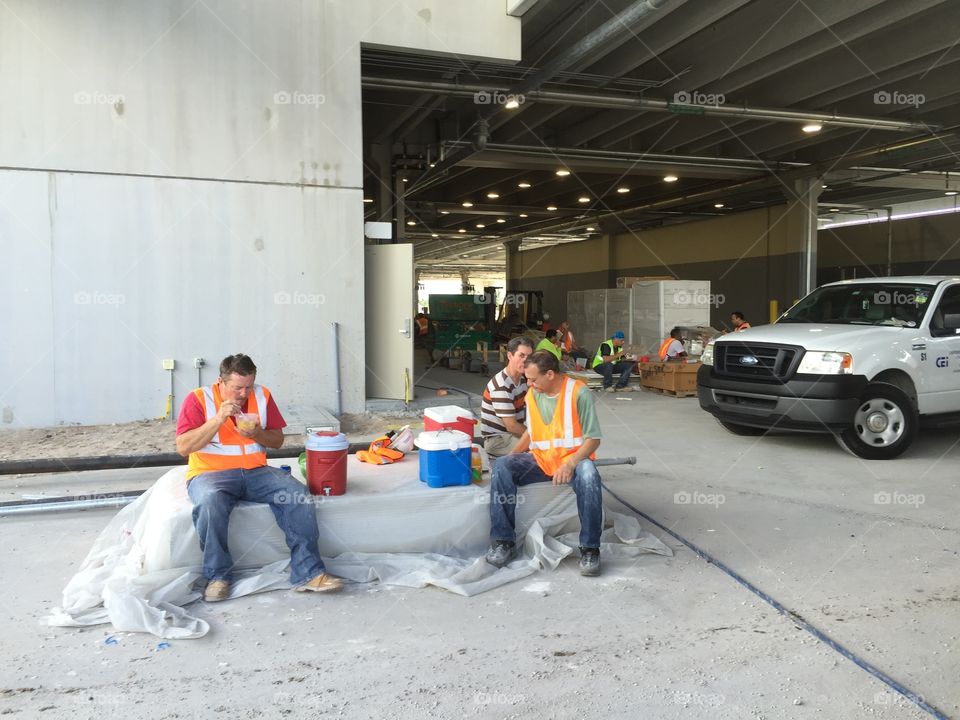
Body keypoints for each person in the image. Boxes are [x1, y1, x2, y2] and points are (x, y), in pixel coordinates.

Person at [176, 353, 343, 602]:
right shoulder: (199, 398)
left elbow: (277, 441)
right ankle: (218, 576)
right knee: (210, 503)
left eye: (248, 386)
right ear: (220, 382)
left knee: (297, 495)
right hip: (210, 474)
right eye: (237, 388)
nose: (243, 394)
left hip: (256, 472)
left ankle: (308, 573)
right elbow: (183, 447)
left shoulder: (262, 395)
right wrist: (219, 419)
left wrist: (257, 434)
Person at [485, 351, 604, 576]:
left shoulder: (580, 393)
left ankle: (590, 549)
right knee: (502, 466)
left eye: (532, 379)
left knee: (589, 476)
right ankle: (503, 542)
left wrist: (570, 465)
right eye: (527, 379)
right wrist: (512, 456)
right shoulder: (533, 394)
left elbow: (593, 439)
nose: (528, 383)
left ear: (550, 374)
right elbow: (532, 431)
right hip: (541, 461)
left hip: (572, 462)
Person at [480, 337, 534, 457]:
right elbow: (511, 426)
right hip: (498, 440)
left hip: (512, 434)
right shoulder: (501, 385)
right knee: (539, 449)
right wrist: (537, 435)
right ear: (510, 356)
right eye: (521, 355)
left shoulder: (522, 379)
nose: (526, 361)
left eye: (529, 357)